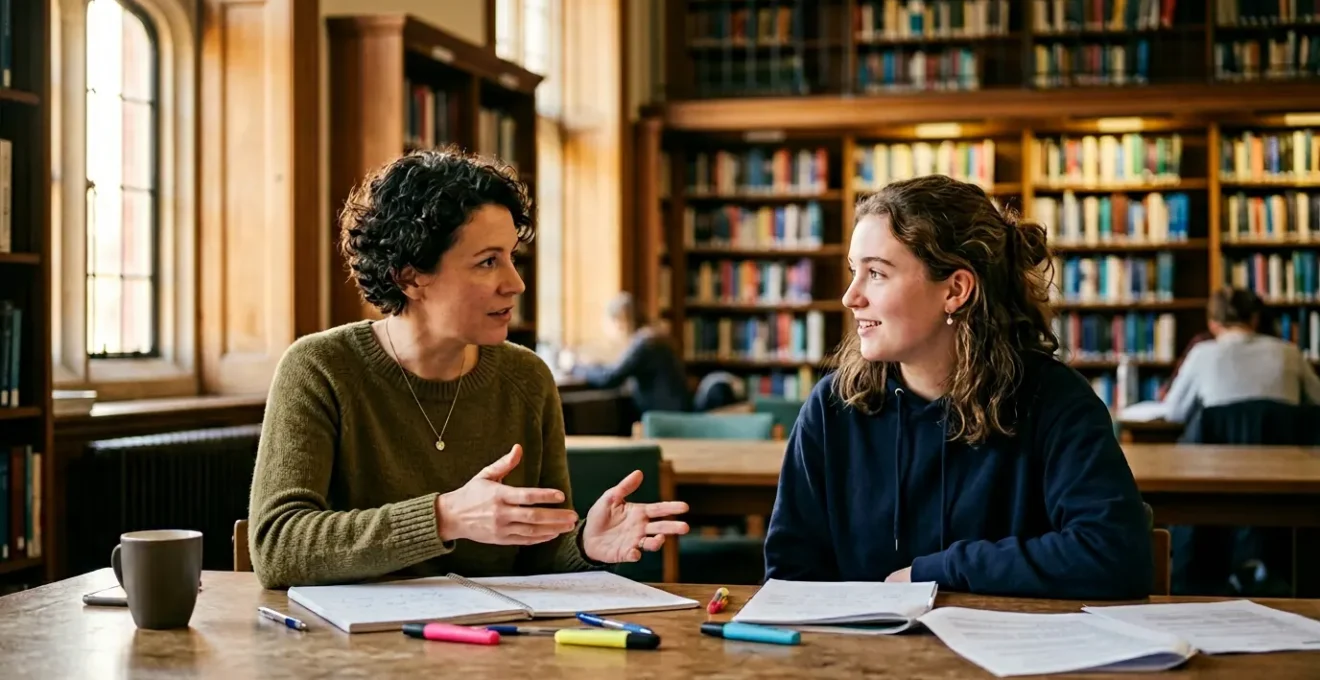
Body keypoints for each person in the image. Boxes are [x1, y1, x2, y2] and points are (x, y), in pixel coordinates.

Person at [248, 149, 689, 589]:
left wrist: (584, 545)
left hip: (495, 645)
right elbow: (277, 547)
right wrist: (445, 517)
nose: (515, 283)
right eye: (487, 261)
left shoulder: (528, 379)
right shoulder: (320, 369)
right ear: (410, 276)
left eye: (512, 257)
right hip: (346, 651)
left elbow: (538, 552)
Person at [764, 175, 1152, 600]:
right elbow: (789, 578)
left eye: (876, 273)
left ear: (955, 290)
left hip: (1011, 656)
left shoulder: (1056, 401)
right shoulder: (832, 407)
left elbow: (1116, 553)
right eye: (855, 271)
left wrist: (937, 570)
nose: (850, 297)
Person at [1162, 287, 1320, 424]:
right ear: (1255, 319)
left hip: (1217, 457)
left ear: (1212, 324)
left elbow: (1174, 413)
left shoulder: (1201, 354)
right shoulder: (1290, 353)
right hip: (1284, 455)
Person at [569, 292, 692, 414]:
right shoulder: (653, 337)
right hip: (675, 413)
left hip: (665, 419)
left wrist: (574, 366)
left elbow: (610, 378)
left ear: (620, 321)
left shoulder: (644, 342)